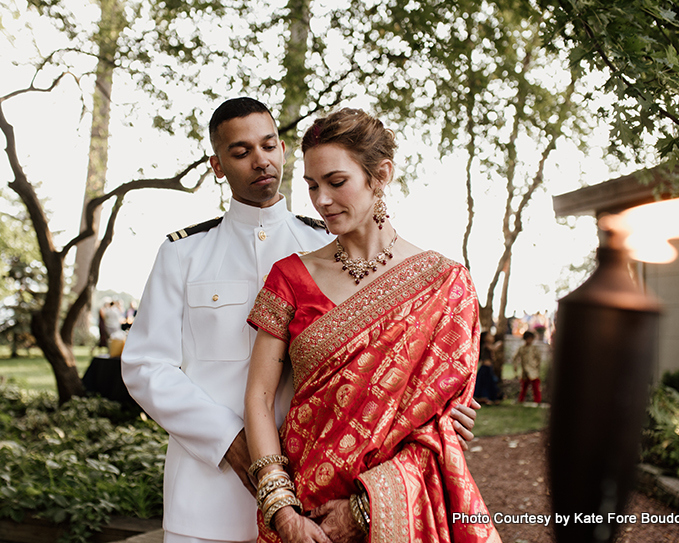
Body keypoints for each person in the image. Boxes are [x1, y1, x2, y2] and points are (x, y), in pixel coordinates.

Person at [121, 98, 480, 543]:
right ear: (217, 165)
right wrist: (227, 439)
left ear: (284, 149)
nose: (260, 160)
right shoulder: (183, 254)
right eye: (241, 152)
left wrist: (442, 421)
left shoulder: (324, 238)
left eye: (269, 145)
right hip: (208, 494)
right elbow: (145, 366)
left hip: (322, 487)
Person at [244, 108, 500, 543]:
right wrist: (281, 508)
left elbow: (440, 427)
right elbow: (258, 396)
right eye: (311, 186)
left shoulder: (445, 284)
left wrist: (364, 508)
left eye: (336, 182)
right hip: (304, 515)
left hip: (401, 511)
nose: (322, 200)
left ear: (380, 175)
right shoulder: (288, 277)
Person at [512, 330, 542, 404]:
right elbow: (515, 357)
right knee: (524, 386)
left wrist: (536, 366)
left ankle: (537, 400)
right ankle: (521, 399)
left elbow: (538, 358)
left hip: (533, 370)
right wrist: (515, 366)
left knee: (535, 386)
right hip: (525, 370)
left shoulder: (534, 348)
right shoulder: (522, 348)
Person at [474, 331, 502, 405]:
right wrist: (498, 344)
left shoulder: (488, 345)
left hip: (488, 367)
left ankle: (492, 398)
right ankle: (484, 398)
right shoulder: (486, 345)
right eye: (489, 335)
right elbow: (493, 348)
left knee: (490, 383)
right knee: (484, 383)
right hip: (485, 367)